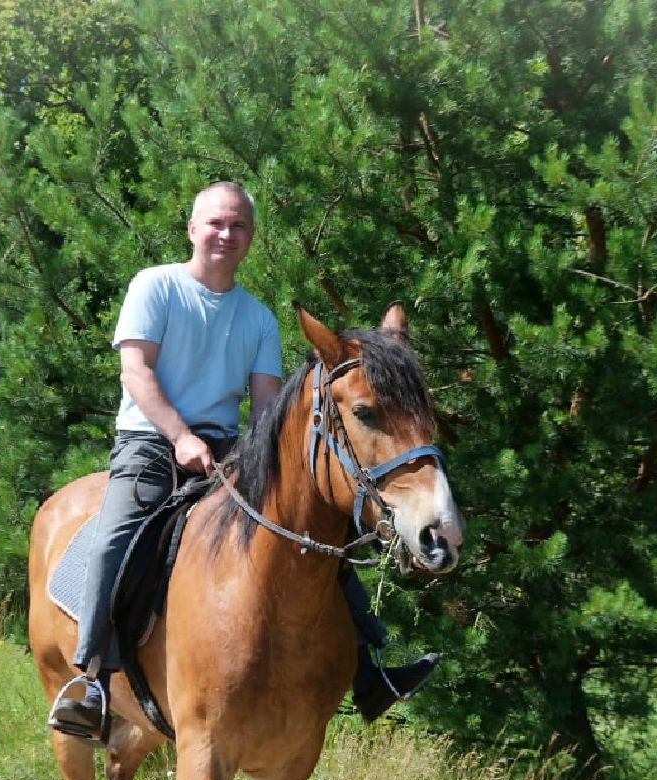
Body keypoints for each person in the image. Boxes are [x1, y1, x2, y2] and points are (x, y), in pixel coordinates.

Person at [50, 181, 438, 742]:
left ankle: (370, 669)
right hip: (149, 441)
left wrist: (259, 461)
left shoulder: (257, 318)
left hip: (228, 450)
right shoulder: (155, 286)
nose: (226, 234)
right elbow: (136, 372)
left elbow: (266, 409)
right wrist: (181, 436)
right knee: (117, 534)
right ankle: (89, 679)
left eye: (238, 226)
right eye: (216, 223)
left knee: (315, 538)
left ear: (250, 237)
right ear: (192, 228)